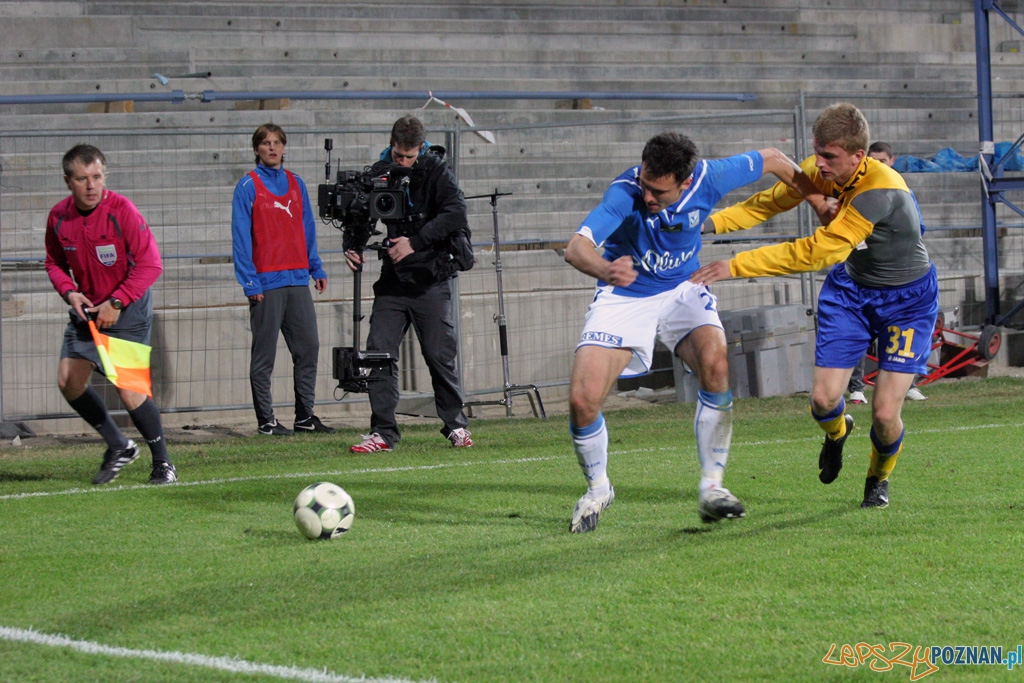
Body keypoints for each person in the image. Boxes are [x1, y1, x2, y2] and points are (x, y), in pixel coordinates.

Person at [564, 131, 821, 532]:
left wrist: (819, 202)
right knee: (582, 399)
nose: (648, 197)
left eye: (658, 192)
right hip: (625, 294)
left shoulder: (710, 176)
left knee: (716, 363)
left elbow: (773, 158)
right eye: (645, 184)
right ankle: (598, 490)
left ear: (686, 182)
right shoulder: (625, 193)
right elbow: (576, 247)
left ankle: (712, 487)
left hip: (682, 288)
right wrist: (605, 269)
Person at [691, 103, 939, 509]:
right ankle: (838, 432)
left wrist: (734, 265)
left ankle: (878, 478)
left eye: (829, 156)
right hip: (851, 292)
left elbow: (818, 251)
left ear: (858, 156)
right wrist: (704, 225)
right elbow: (766, 203)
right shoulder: (822, 170)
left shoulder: (879, 191)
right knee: (823, 401)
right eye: (817, 152)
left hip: (907, 301)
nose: (819, 164)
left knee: (884, 413)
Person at [44, 144, 177, 485]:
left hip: (127, 310)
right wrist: (69, 291)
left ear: (105, 176)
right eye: (82, 179)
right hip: (88, 310)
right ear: (68, 181)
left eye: (97, 177)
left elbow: (151, 264)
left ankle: (163, 463)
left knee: (129, 390)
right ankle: (120, 445)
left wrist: (116, 303)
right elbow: (54, 262)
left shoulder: (122, 211)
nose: (91, 186)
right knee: (68, 380)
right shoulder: (58, 217)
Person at [344, 115, 475, 453]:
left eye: (408, 156)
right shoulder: (381, 170)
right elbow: (362, 213)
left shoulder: (436, 171)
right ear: (391, 146)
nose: (402, 162)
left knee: (439, 356)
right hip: (393, 279)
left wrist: (414, 242)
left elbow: (456, 214)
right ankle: (383, 432)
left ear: (420, 149)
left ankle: (455, 424)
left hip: (430, 278)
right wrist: (353, 245)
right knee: (378, 351)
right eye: (397, 155)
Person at [232, 123, 335, 436]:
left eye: (277, 142)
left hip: (297, 280)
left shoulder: (296, 183)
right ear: (257, 149)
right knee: (264, 356)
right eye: (266, 143)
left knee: (308, 348)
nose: (272, 147)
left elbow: (307, 229)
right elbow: (240, 238)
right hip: (266, 283)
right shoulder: (247, 186)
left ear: (284, 147)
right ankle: (266, 421)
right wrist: (250, 282)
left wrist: (316, 268)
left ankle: (305, 417)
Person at [846, 141, 928, 404]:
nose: (877, 165)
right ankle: (856, 388)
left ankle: (907, 385)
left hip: (897, 276)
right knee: (858, 330)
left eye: (882, 161)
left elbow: (918, 229)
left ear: (892, 161)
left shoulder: (902, 192)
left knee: (898, 332)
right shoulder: (855, 193)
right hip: (862, 274)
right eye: (872, 161)